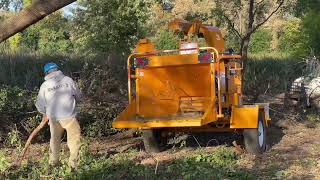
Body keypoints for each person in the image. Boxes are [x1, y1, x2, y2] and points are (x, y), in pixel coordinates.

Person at [35, 62, 81, 168]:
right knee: (74, 140)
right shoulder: (68, 80)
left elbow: (40, 105)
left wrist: (44, 113)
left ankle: (53, 163)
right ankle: (73, 164)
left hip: (53, 118)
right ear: (58, 69)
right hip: (69, 116)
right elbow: (78, 96)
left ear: (46, 73)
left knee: (54, 140)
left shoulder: (45, 85)